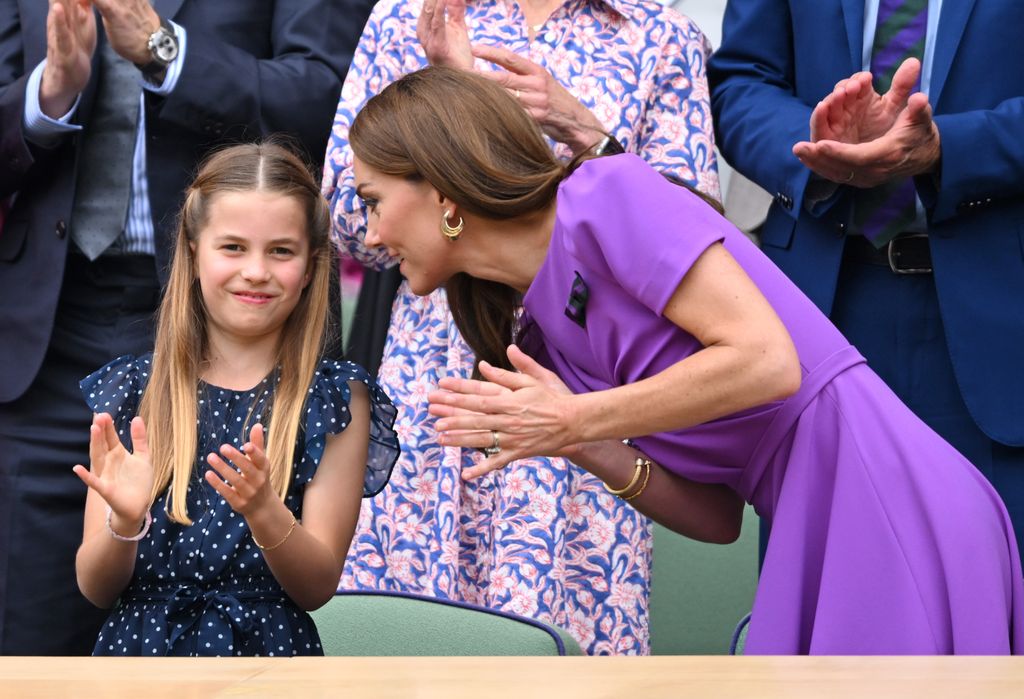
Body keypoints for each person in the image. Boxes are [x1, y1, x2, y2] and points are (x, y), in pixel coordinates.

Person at [351, 66, 1024, 654]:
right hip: (803, 526)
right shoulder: (539, 340)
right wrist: (580, 443)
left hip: (888, 500)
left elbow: (768, 361)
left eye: (374, 200)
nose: (373, 235)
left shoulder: (606, 195)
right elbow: (717, 518)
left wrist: (579, 416)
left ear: (442, 193)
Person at [323, 0, 719, 655]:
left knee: (569, 643)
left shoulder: (662, 34)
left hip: (585, 387)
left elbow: (689, 239)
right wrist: (453, 124)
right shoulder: (406, 14)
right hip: (436, 377)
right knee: (406, 643)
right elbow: (348, 216)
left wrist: (582, 128)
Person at [0, 0, 368, 654]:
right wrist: (50, 92)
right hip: (49, 333)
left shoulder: (331, 395)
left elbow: (329, 99)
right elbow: (97, 579)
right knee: (28, 631)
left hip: (236, 331)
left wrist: (166, 51)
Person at [706, 0, 1024, 557]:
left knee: (997, 607)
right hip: (821, 314)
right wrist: (815, 146)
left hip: (1000, 317)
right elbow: (741, 80)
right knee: (827, 604)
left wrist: (946, 147)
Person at [71, 143, 399, 657]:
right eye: (232, 248)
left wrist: (264, 509)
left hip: (269, 662)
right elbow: (94, 586)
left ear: (311, 267)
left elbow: (317, 587)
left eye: (280, 251)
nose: (255, 271)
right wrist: (125, 523)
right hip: (139, 664)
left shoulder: (335, 399)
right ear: (193, 253)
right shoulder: (137, 389)